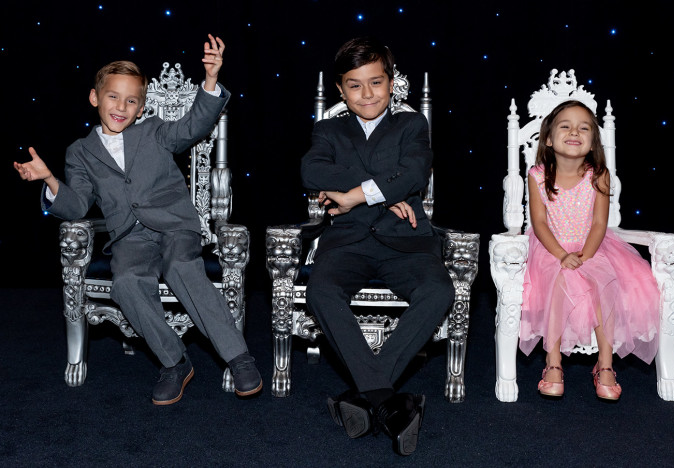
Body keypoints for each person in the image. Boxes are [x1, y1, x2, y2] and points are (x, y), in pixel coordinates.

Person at [13, 35, 262, 405]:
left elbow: (192, 127)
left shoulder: (154, 131)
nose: (121, 106)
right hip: (129, 237)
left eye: (131, 100)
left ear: (141, 107)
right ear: (95, 98)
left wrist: (210, 79)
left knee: (181, 267)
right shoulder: (80, 152)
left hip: (175, 226)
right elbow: (77, 205)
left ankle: (238, 357)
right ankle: (174, 362)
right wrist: (50, 180)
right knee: (127, 282)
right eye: (113, 96)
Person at [301, 36, 455, 455]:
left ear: (391, 83)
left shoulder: (412, 125)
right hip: (347, 242)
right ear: (341, 89)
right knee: (321, 291)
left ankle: (363, 397)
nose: (367, 94)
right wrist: (385, 192)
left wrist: (354, 194)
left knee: (439, 290)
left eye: (376, 82)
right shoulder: (328, 129)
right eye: (355, 85)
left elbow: (416, 172)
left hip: (406, 242)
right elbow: (312, 171)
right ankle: (390, 403)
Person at [520, 100, 659, 401]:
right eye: (565, 126)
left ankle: (605, 365)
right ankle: (553, 362)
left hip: (592, 248)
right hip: (551, 249)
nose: (574, 132)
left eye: (584, 128)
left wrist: (585, 256)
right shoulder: (537, 175)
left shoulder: (598, 176)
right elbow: (539, 223)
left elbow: (598, 224)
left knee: (603, 282)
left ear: (593, 142)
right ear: (548, 139)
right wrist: (562, 255)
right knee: (558, 280)